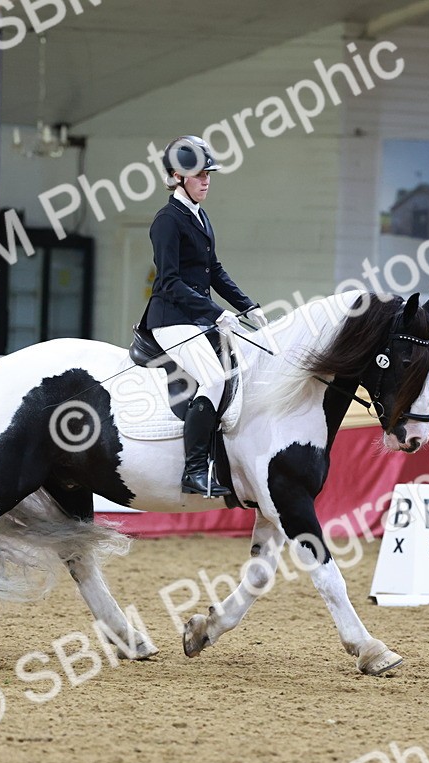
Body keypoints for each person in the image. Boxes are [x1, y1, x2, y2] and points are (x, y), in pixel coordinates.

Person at [138, 135, 267, 496]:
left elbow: (214, 270)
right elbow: (169, 281)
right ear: (178, 177)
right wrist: (215, 311)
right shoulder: (167, 220)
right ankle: (193, 471)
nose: (207, 180)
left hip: (195, 319)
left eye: (209, 173)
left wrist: (247, 306)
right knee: (212, 380)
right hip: (170, 319)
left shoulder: (199, 215)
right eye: (200, 175)